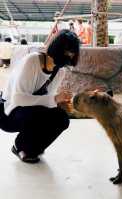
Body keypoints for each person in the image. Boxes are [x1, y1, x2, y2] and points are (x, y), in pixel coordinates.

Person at [2, 29, 80, 163]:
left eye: (72, 53)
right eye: (67, 52)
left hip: (28, 111)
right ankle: (20, 146)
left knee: (62, 118)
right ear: (57, 48)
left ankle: (31, 148)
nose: (70, 56)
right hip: (8, 113)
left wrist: (59, 103)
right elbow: (18, 99)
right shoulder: (32, 61)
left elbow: (47, 103)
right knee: (38, 115)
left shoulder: (60, 72)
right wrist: (55, 99)